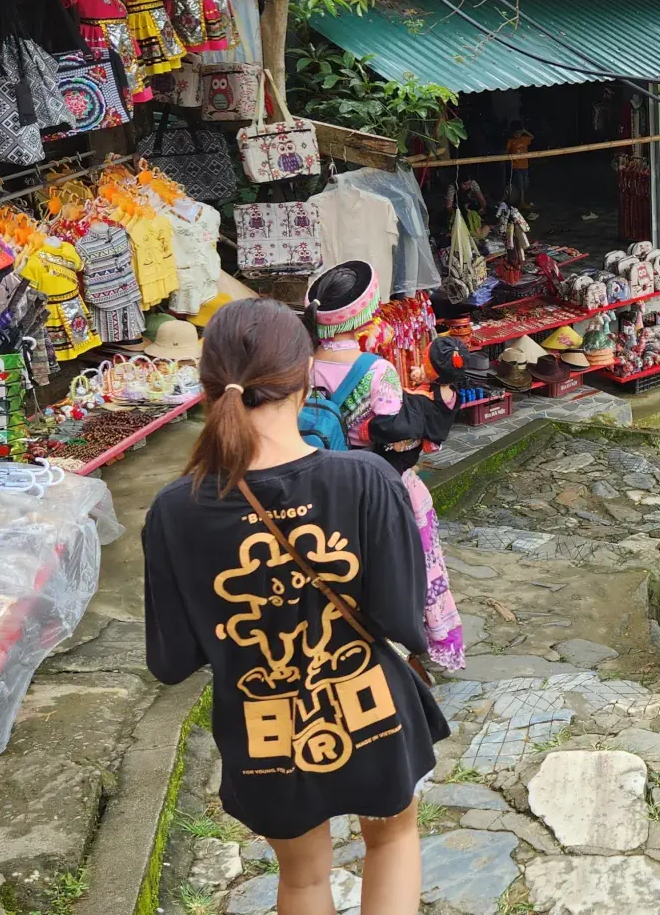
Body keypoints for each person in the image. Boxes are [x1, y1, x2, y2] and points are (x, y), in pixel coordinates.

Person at [141, 297, 448, 915]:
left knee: (304, 880)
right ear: (306, 377)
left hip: (265, 730)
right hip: (371, 709)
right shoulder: (365, 479)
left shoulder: (174, 511)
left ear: (206, 385)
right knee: (392, 840)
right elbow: (400, 621)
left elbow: (172, 661)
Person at [305, 261, 465, 672]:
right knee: (417, 564)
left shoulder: (299, 367)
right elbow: (394, 434)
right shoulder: (378, 371)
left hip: (320, 484)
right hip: (381, 485)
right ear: (363, 314)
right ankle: (428, 644)